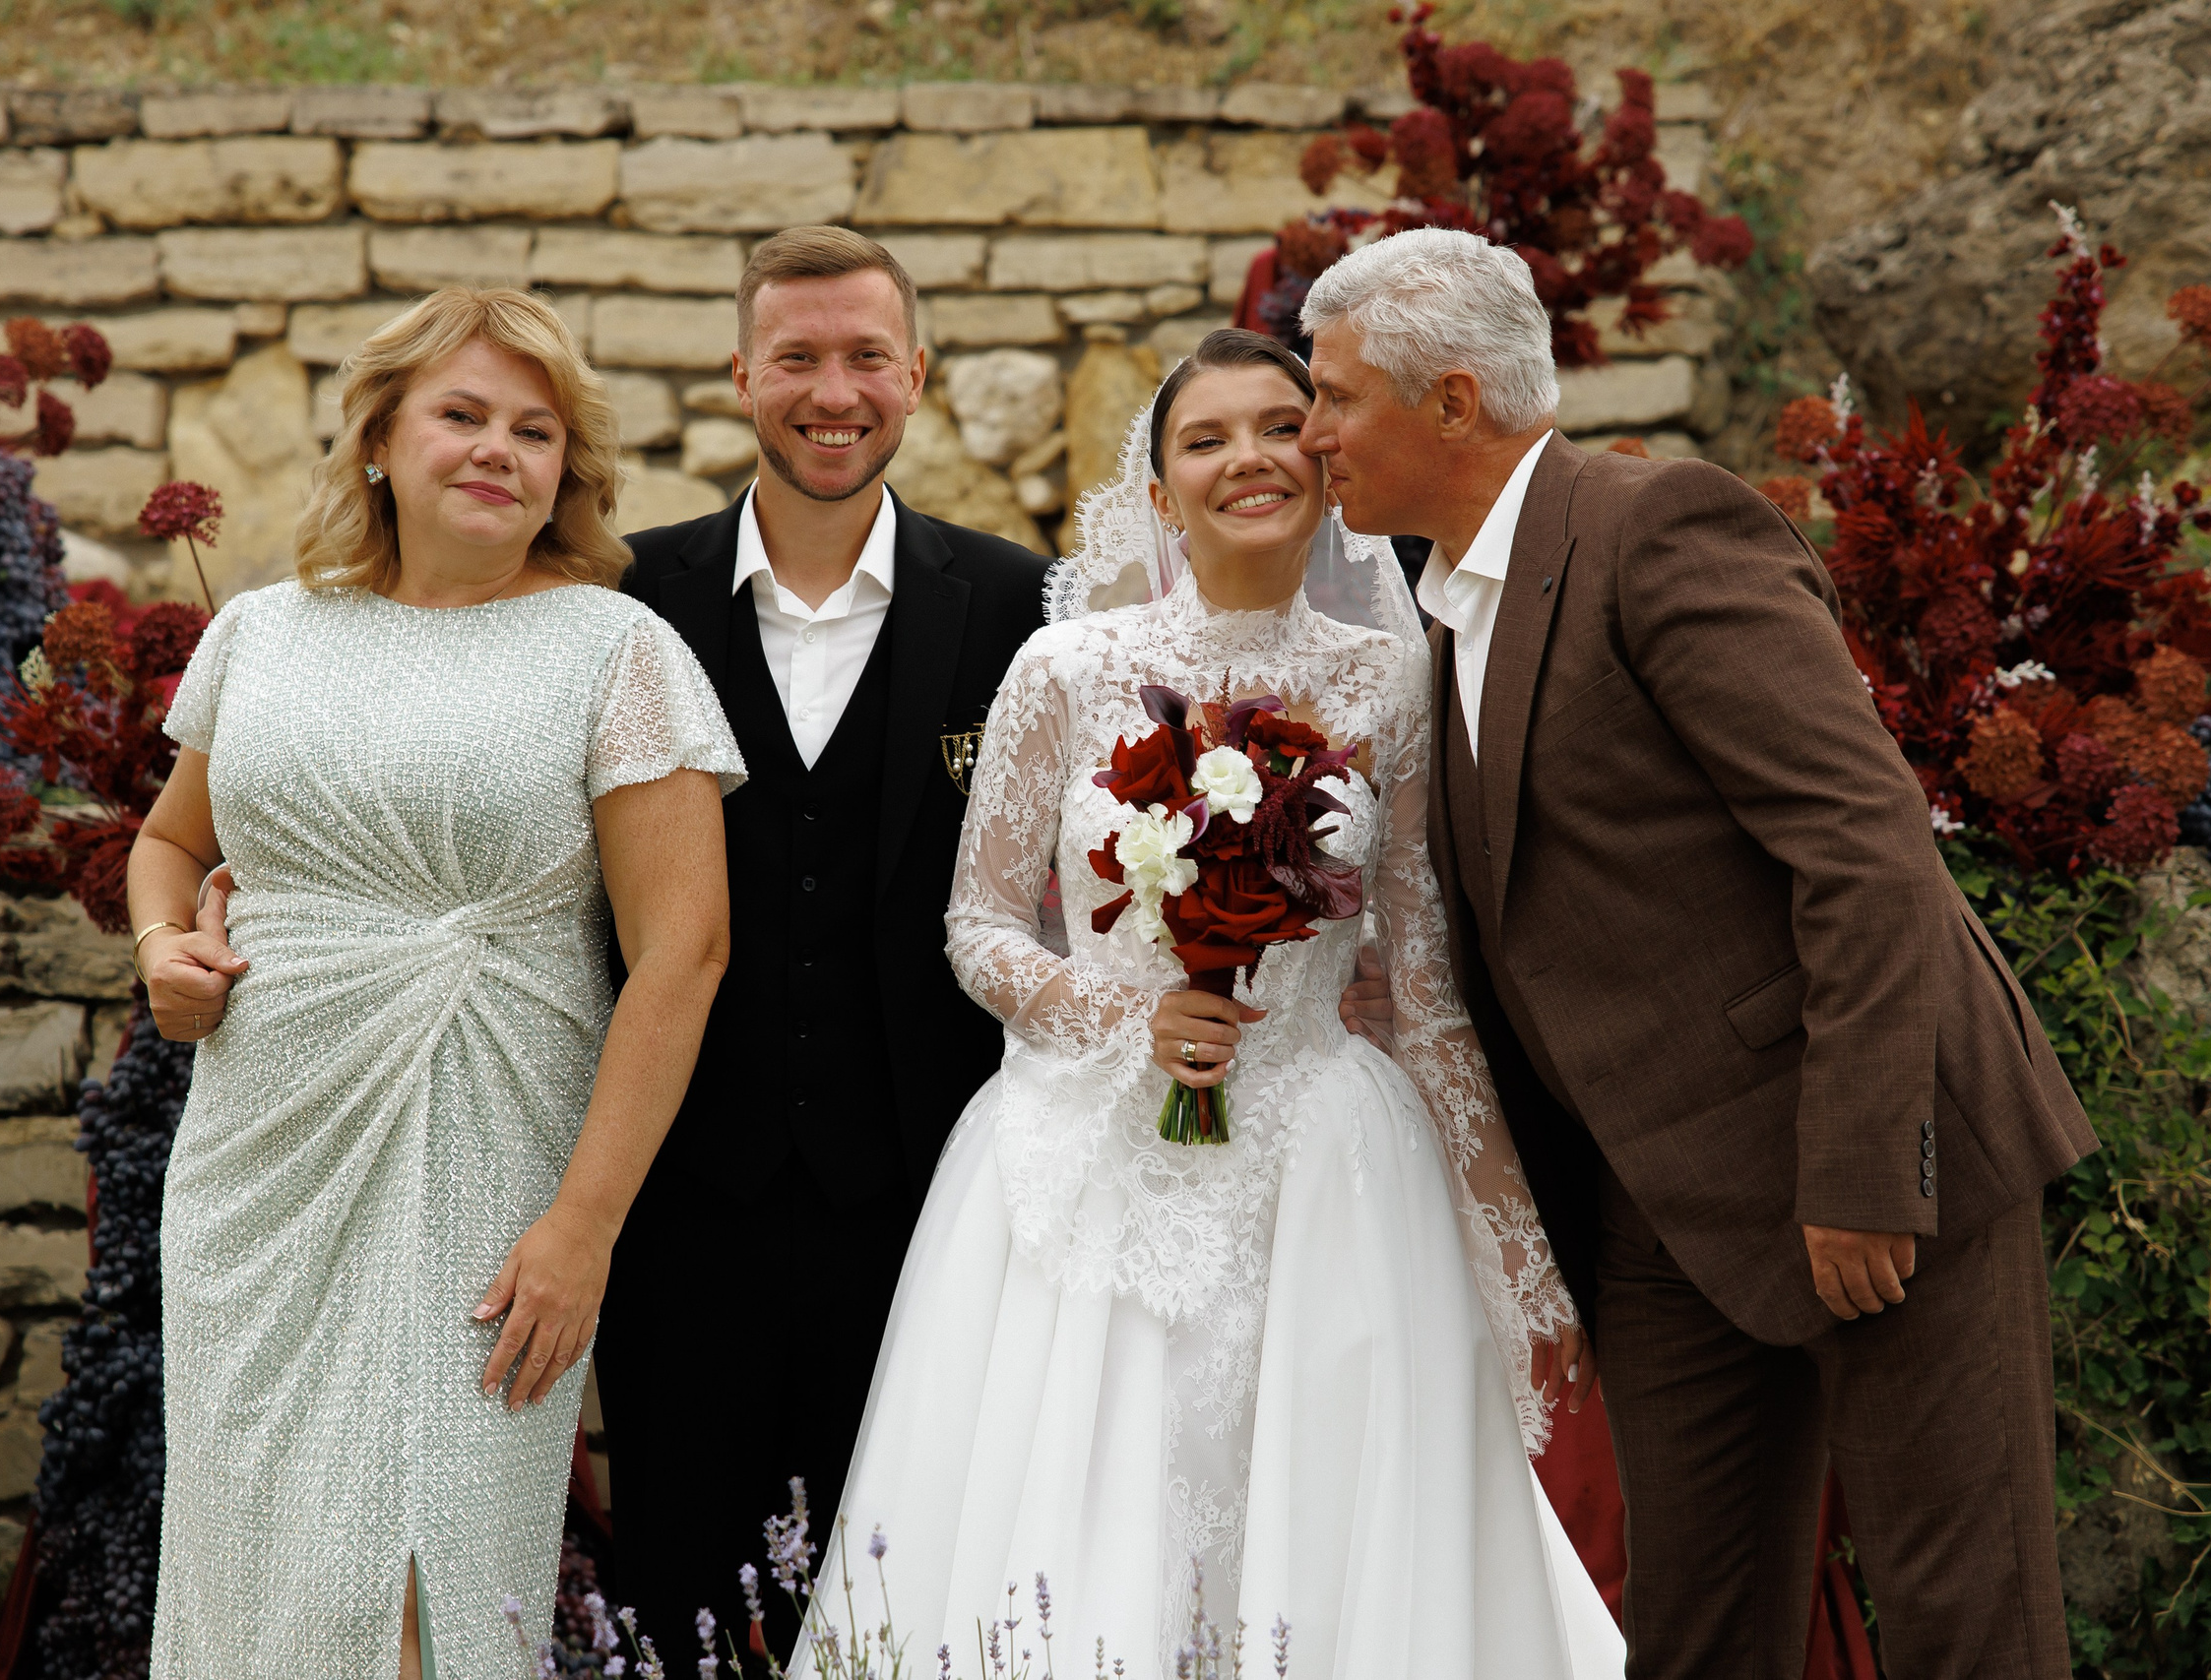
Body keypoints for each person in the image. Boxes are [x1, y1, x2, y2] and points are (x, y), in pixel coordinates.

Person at [1297, 227, 2098, 1680]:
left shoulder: (1658, 528)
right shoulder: (1445, 611)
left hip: (1877, 1163)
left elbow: (1863, 846)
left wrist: (1861, 1170)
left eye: (1336, 395)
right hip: (1667, 1214)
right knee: (1691, 1628)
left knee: (1960, 1618)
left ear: (1456, 405)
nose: (1312, 431)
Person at [800, 329, 1623, 1680]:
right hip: (1089, 1154)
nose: (1248, 456)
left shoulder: (1391, 677)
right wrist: (1126, 1021)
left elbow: (1424, 987)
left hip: (1326, 1167)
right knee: (1089, 1514)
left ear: (1325, 462)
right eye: (1205, 438)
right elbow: (980, 925)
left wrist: (1511, 1250)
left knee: (1324, 1513)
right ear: (1160, 492)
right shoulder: (1063, 669)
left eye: (1280, 426)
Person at [129, 285, 743, 1680]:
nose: (496, 450)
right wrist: (166, 949)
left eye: (535, 432)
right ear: (380, 443)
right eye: (461, 415)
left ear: (565, 476)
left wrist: (583, 1228)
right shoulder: (265, 634)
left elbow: (684, 955)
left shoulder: (618, 649)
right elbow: (169, 846)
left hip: (488, 1170)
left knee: (431, 1585)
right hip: (255, 1176)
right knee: (250, 1578)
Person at [594, 227, 1053, 1659]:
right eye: (797, 357)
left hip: (923, 1206)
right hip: (675, 1205)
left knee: (903, 1599)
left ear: (916, 375)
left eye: (866, 356)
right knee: (676, 1595)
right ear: (740, 374)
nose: (832, 389)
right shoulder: (622, 596)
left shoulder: (1026, 605)